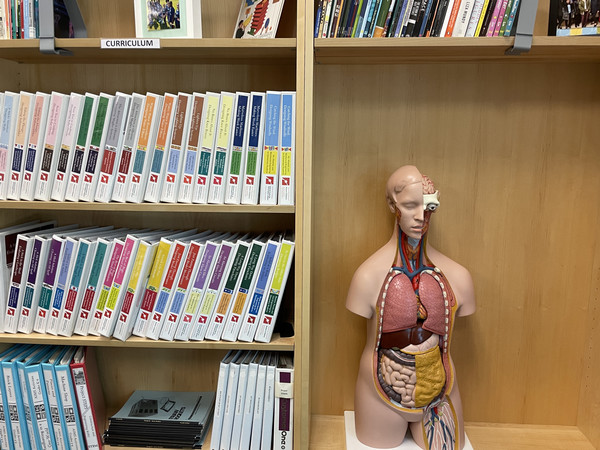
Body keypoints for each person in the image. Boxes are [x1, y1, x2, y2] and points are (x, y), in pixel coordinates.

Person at [346, 165, 476, 450]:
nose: (420, 216)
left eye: (428, 207)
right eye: (409, 206)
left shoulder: (458, 277)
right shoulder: (367, 276)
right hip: (379, 394)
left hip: (440, 394)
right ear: (393, 206)